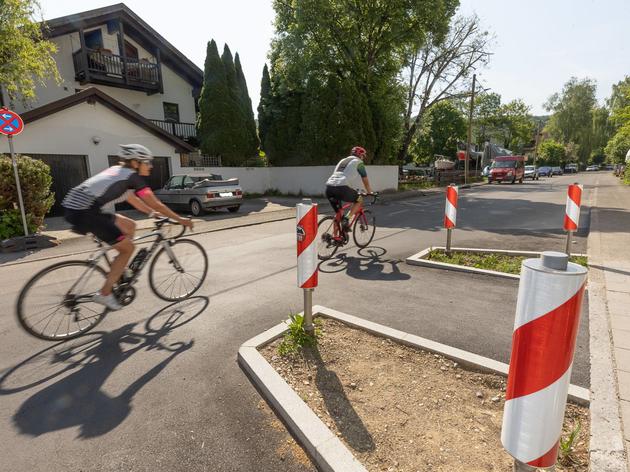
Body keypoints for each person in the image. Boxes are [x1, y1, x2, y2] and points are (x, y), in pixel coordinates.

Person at [62, 144, 193, 310]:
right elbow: (156, 203)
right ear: (136, 163)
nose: (151, 166)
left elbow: (133, 199)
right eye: (148, 162)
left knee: (130, 226)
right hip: (85, 212)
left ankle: (119, 271)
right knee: (127, 249)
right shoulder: (132, 177)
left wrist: (152, 214)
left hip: (78, 208)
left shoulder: (119, 173)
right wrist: (181, 219)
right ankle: (105, 294)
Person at [325, 146, 374, 232]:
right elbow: (364, 179)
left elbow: (341, 176)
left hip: (329, 188)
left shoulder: (342, 160)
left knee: (339, 213)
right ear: (360, 155)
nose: (363, 158)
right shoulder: (359, 162)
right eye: (363, 156)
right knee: (359, 200)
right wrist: (369, 192)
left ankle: (335, 237)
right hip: (342, 188)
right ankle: (346, 219)